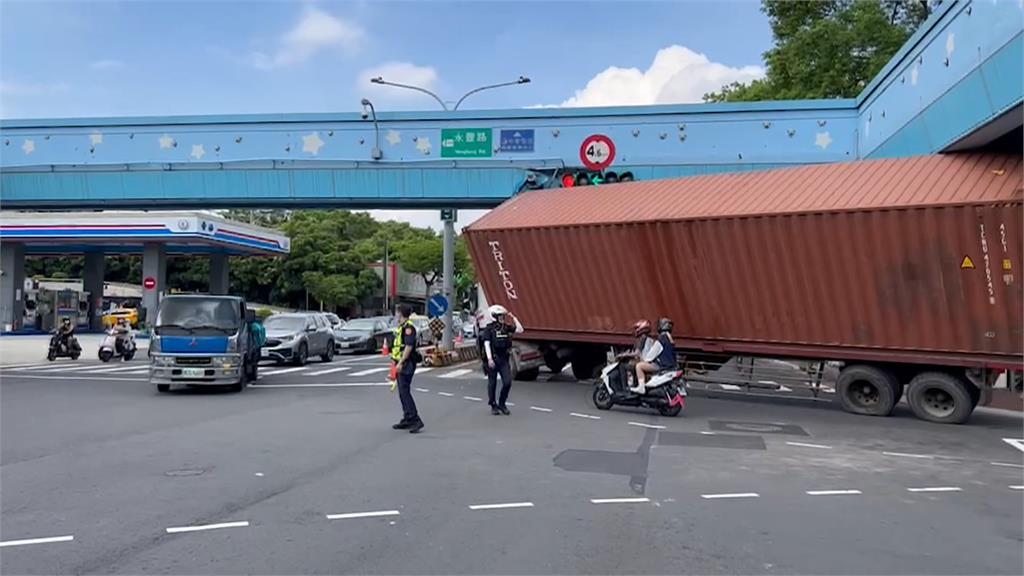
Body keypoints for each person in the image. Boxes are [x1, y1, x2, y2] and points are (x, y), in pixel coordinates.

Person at [482, 304, 524, 415]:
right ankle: (493, 405)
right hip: (493, 360)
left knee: (507, 382)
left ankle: (502, 403)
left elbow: (520, 330)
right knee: (492, 383)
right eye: (499, 316)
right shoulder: (489, 329)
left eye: (502, 316)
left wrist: (514, 318)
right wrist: (490, 359)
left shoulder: (506, 327)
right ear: (494, 316)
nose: (502, 318)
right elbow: (487, 344)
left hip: (504, 359)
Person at [390, 304, 424, 434]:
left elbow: (409, 347)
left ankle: (415, 419)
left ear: (401, 314)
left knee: (405, 391)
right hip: (401, 363)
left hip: (407, 363)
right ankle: (408, 418)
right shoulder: (402, 327)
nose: (395, 316)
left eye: (397, 313)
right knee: (402, 391)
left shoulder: (409, 328)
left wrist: (401, 362)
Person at [633, 317, 677, 394]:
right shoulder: (670, 339)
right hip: (671, 366)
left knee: (639, 366)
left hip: (662, 365)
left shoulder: (661, 339)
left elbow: (651, 354)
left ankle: (641, 387)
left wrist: (645, 360)